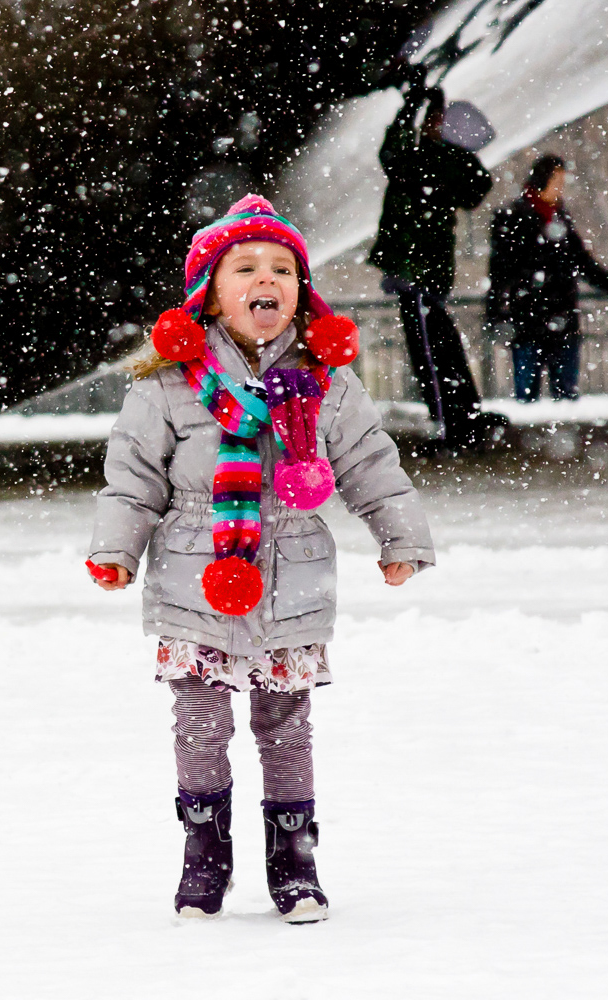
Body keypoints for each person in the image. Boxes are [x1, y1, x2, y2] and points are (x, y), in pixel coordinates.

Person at [87, 195, 433, 923]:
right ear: (209, 294)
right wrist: (116, 550)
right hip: (194, 577)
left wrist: (400, 536)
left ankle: (295, 864)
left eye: (282, 268)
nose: (264, 279)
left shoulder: (326, 383)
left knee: (287, 726)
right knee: (200, 723)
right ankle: (204, 860)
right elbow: (133, 476)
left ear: (300, 293)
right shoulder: (169, 386)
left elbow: (371, 463)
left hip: (292, 581)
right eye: (244, 267)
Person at [369, 85, 497, 447]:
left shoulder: (427, 160)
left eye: (437, 119)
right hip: (431, 270)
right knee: (443, 343)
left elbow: (391, 154)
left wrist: (408, 109)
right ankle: (464, 415)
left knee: (428, 349)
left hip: (417, 271)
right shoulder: (451, 163)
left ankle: (451, 424)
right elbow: (478, 186)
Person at [487, 154, 608, 401]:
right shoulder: (514, 216)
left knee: (557, 395)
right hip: (532, 319)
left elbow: (583, 263)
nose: (561, 187)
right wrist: (497, 311)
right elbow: (499, 271)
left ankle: (557, 437)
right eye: (557, 180)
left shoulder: (557, 216)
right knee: (533, 396)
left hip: (555, 319)